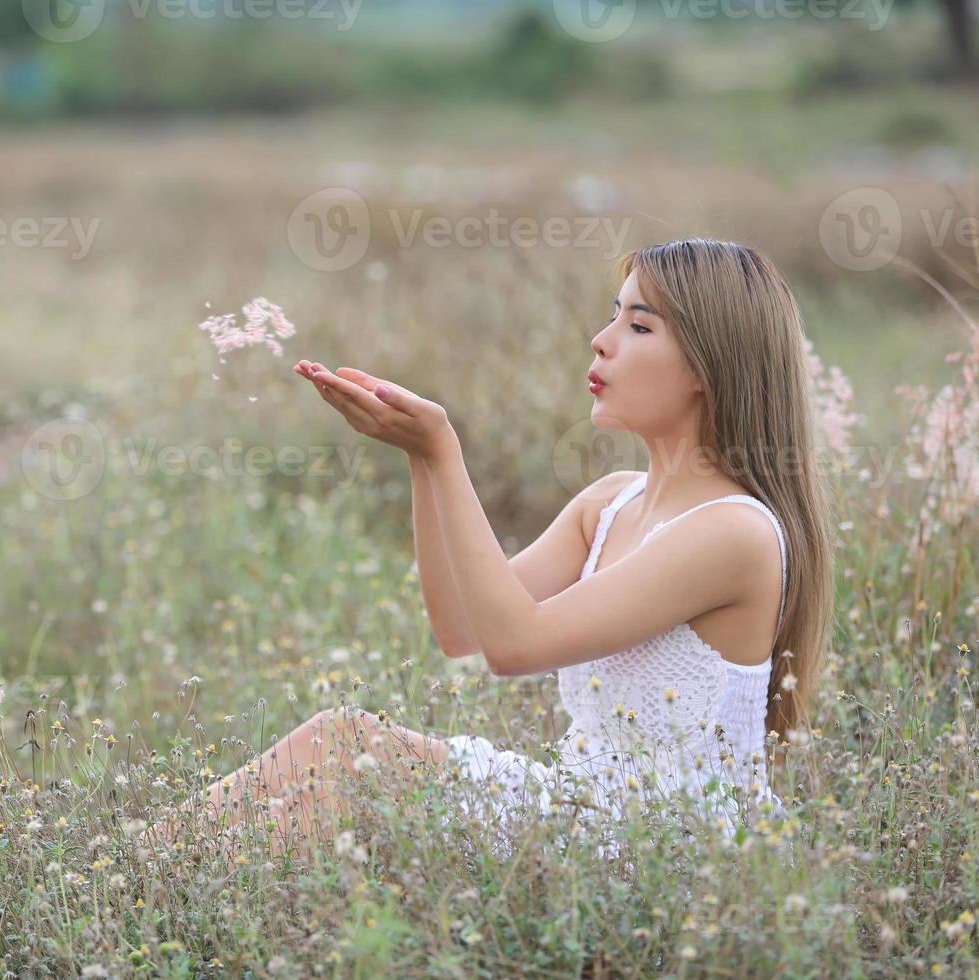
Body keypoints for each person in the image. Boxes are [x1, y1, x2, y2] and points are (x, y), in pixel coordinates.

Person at [151, 238, 836, 860]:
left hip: (669, 850)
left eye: (638, 326)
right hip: (585, 812)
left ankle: (131, 884)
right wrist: (419, 460)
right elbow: (460, 630)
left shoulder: (734, 531)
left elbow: (512, 647)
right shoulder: (611, 503)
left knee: (348, 748)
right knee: (339, 754)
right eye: (612, 316)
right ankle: (147, 888)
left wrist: (444, 451)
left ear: (707, 367)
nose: (600, 342)